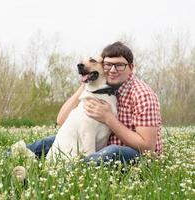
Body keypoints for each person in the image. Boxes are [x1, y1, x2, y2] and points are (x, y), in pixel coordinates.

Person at [25, 41, 163, 165]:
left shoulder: (142, 94)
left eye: (120, 65)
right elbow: (61, 122)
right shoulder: (104, 88)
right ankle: (13, 154)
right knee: (54, 140)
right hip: (100, 145)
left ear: (131, 67)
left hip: (136, 155)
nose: (113, 70)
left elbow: (147, 147)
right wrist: (85, 84)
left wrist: (108, 118)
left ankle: (68, 173)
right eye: (108, 65)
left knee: (112, 151)